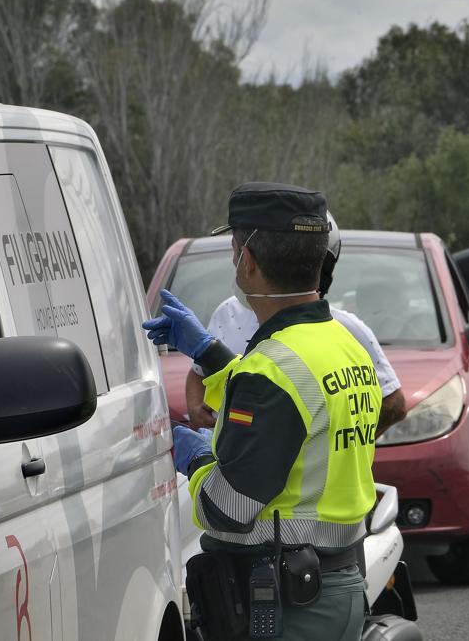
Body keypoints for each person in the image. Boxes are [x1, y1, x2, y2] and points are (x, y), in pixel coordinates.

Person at [143, 182, 379, 640]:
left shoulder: (271, 369)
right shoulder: (344, 347)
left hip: (287, 605)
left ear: (246, 262)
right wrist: (209, 353)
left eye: (234, 250)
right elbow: (290, 407)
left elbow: (229, 507)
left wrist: (194, 460)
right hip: (336, 586)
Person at [185, 214, 407, 435]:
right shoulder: (227, 313)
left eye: (238, 254)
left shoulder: (346, 331)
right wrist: (197, 410)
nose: (236, 264)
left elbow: (393, 405)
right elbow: (200, 374)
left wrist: (337, 440)